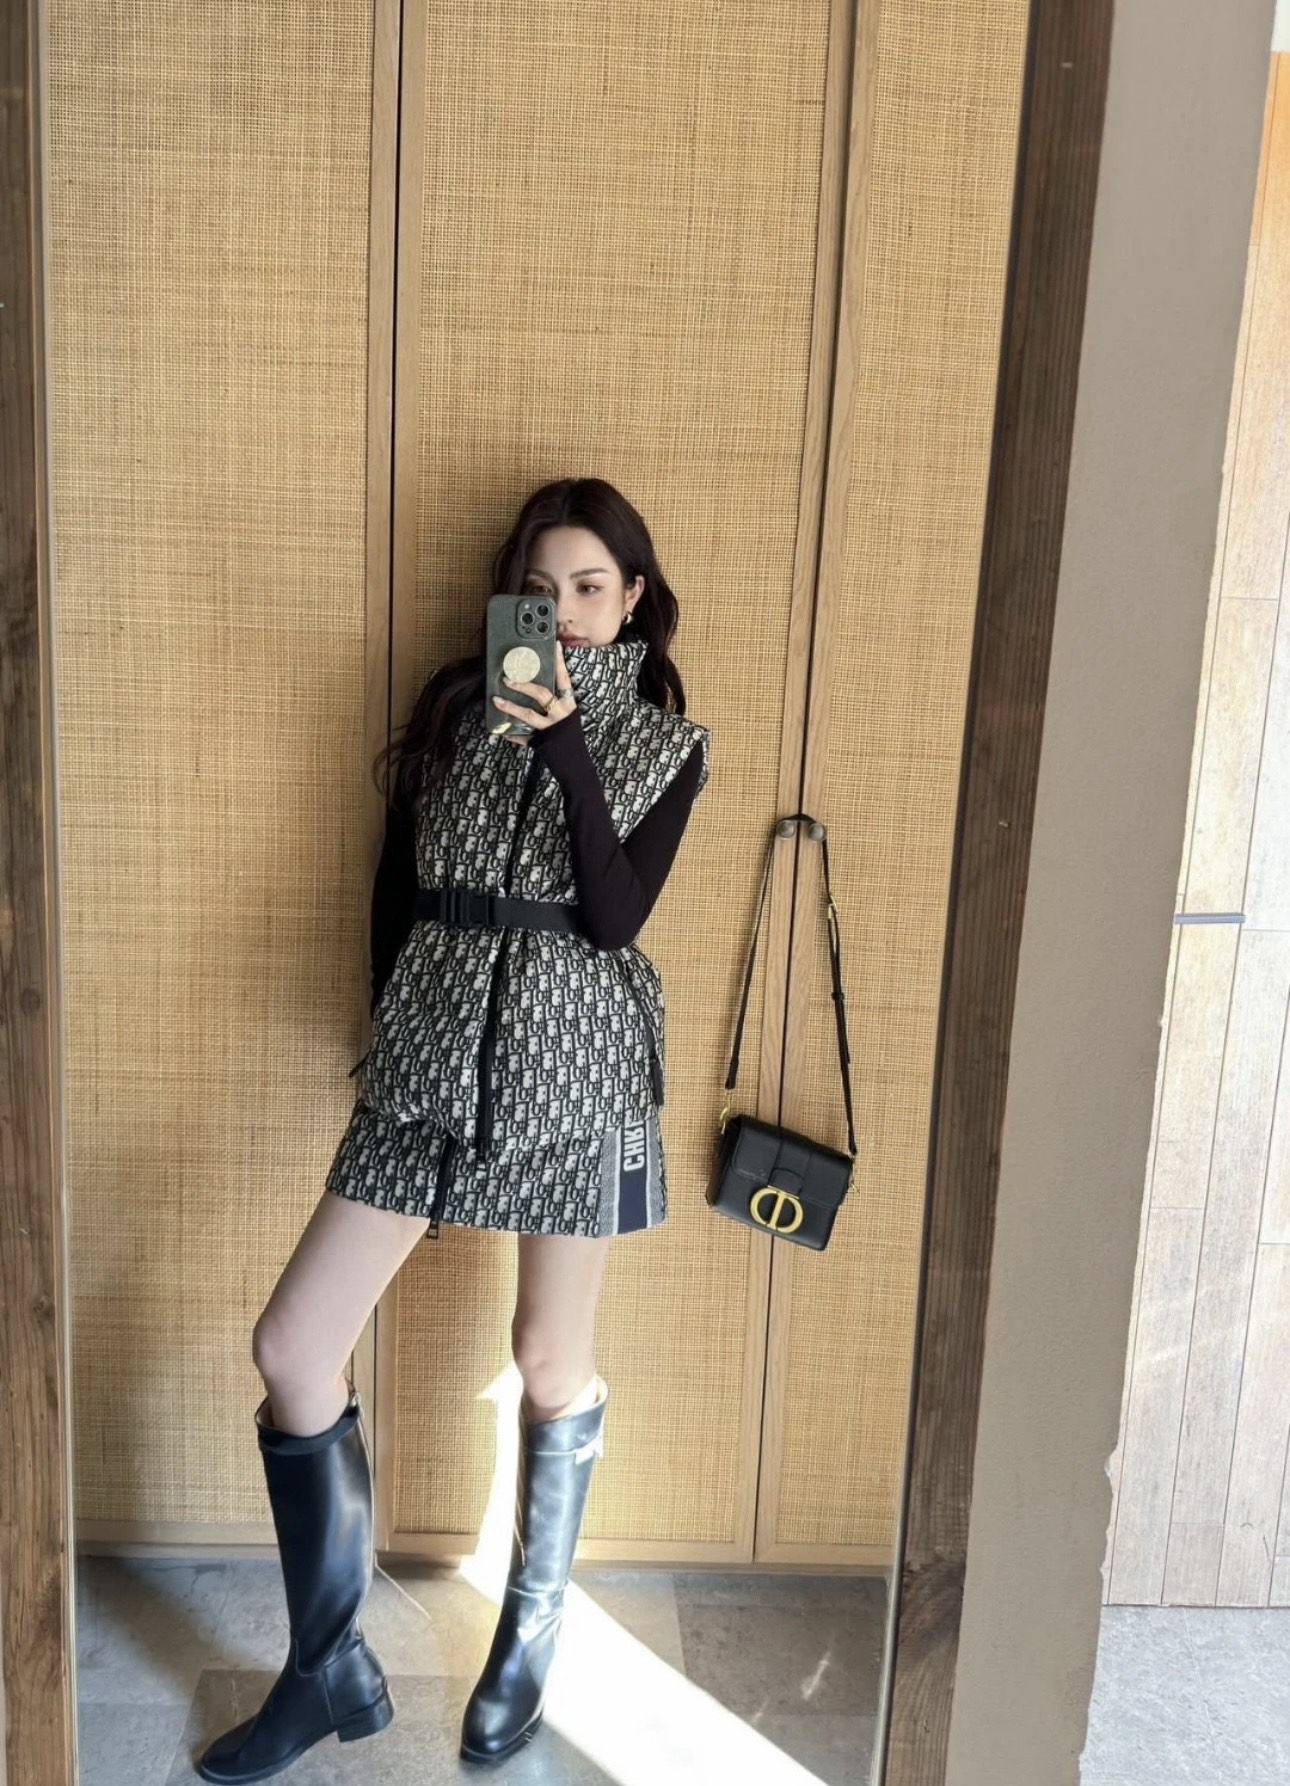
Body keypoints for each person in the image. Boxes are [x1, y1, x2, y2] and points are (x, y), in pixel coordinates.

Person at [196, 477, 711, 1782]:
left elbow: (614, 916)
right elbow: (394, 890)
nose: (564, 612)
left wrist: (565, 745)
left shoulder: (666, 745)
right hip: (428, 1053)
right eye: (538, 590)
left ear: (632, 595)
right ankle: (328, 1669)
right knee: (292, 1343)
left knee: (547, 1354)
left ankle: (528, 1641)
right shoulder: (450, 710)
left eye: (588, 586)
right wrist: (393, 1032)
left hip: (575, 1066)